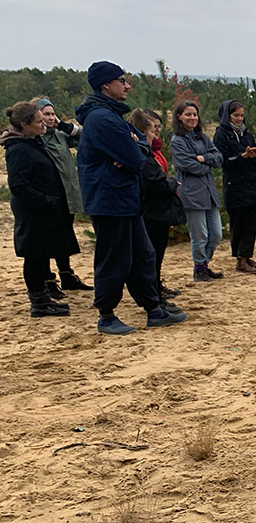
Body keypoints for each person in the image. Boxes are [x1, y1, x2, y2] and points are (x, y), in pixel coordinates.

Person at [75, 60, 186, 334]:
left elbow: (142, 148)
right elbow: (135, 158)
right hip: (109, 200)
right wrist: (133, 152)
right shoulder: (101, 119)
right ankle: (106, 315)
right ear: (106, 85)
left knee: (143, 255)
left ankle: (153, 309)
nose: (128, 86)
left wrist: (135, 150)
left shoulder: (112, 116)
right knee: (114, 258)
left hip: (125, 199)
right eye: (122, 81)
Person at [1, 102, 75, 318]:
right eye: (39, 121)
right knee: (34, 257)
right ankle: (39, 303)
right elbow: (18, 185)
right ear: (25, 125)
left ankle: (44, 299)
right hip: (33, 213)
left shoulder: (33, 142)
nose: (44, 124)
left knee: (41, 255)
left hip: (43, 212)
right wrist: (46, 200)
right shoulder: (18, 149)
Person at [31, 97, 90, 293]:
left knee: (64, 237)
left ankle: (67, 275)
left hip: (67, 196)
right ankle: (48, 279)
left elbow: (86, 137)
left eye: (52, 114)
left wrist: (63, 125)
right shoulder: (35, 139)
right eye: (45, 114)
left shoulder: (59, 135)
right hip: (49, 198)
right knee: (48, 240)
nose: (50, 118)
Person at [130, 108, 186, 304]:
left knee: (155, 255)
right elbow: (154, 183)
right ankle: (153, 295)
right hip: (151, 212)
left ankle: (155, 288)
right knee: (150, 255)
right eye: (153, 129)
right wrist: (170, 183)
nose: (156, 134)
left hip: (157, 210)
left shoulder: (150, 152)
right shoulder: (143, 155)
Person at [170, 100, 224, 283]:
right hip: (191, 193)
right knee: (200, 235)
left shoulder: (203, 138)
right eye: (188, 114)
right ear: (179, 117)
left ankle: (203, 264)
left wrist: (204, 158)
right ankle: (200, 269)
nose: (192, 118)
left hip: (209, 192)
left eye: (194, 114)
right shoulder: (177, 141)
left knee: (216, 234)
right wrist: (206, 163)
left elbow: (218, 157)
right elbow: (188, 165)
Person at [213, 100, 256, 274]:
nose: (239, 119)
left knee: (252, 221)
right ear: (226, 116)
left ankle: (246, 255)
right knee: (239, 223)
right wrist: (241, 157)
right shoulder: (221, 135)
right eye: (235, 115)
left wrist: (255, 155)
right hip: (234, 184)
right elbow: (222, 161)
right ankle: (240, 260)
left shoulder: (246, 133)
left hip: (252, 183)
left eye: (242, 115)